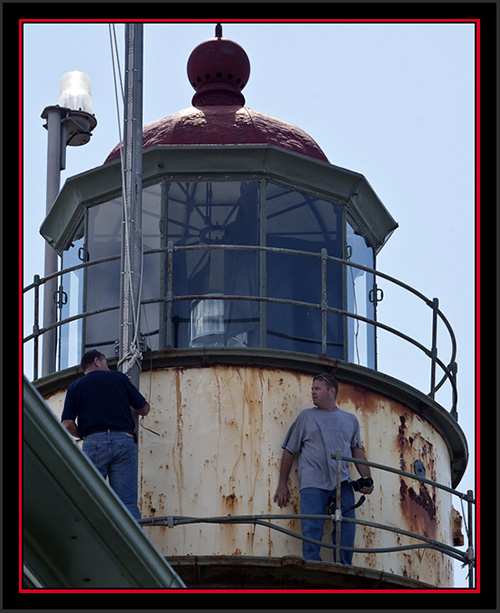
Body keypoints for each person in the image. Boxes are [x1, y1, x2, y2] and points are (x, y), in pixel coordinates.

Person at [273, 373, 374, 564]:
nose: (312, 392)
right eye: (312, 389)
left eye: (317, 389)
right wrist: (282, 484)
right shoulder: (306, 417)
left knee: (347, 526)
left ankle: (343, 565)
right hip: (313, 483)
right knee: (312, 526)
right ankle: (312, 564)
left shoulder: (350, 420)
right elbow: (289, 450)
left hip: (342, 482)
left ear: (331, 391)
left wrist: (367, 479)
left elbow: (356, 451)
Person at [61, 349, 150, 520]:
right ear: (97, 361)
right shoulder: (118, 378)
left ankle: (92, 541)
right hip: (123, 440)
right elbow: (143, 409)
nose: (108, 368)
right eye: (105, 363)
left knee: (91, 498)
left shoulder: (75, 387)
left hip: (93, 442)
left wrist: (85, 434)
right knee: (126, 502)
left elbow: (67, 424)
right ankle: (131, 544)